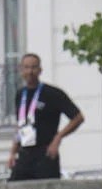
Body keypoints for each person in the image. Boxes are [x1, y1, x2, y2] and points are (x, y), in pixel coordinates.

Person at [8, 53, 84, 182]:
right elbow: (21, 125)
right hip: (25, 153)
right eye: (26, 67)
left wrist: (58, 138)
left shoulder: (52, 93)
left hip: (46, 154)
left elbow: (78, 117)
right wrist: (12, 152)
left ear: (40, 70)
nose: (30, 71)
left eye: (33, 67)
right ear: (21, 70)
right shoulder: (20, 94)